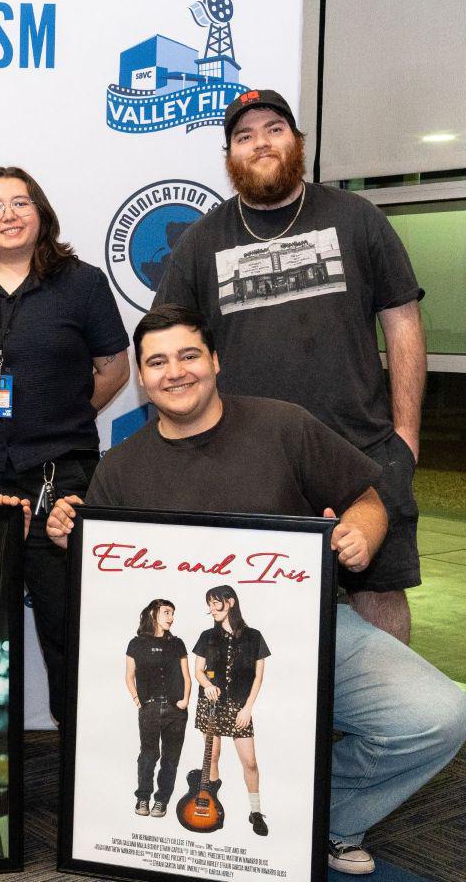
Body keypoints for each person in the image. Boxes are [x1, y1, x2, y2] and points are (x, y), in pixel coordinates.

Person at [48, 305, 466, 875]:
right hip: (196, 655)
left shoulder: (283, 426)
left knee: (440, 714)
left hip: (313, 628)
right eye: (158, 362)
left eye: (189, 355)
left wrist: (363, 533)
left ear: (216, 361)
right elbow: (112, 590)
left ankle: (326, 819)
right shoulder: (119, 468)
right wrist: (73, 536)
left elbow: (364, 496)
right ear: (142, 379)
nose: (176, 372)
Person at [154, 89, 426, 643]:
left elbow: (402, 322)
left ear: (297, 142)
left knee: (378, 590)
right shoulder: (202, 240)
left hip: (362, 448)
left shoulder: (357, 218)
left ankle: (386, 719)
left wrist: (406, 437)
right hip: (250, 459)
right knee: (255, 599)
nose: (261, 143)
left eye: (274, 129)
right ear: (230, 155)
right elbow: (169, 343)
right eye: (244, 136)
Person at [0, 166, 130, 723]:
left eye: (20, 203)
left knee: (67, 625)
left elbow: (114, 368)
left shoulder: (83, 283)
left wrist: (62, 416)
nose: (8, 215)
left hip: (60, 480)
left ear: (41, 214)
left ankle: (77, 759)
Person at [191, 586, 270, 836]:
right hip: (211, 706)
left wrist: (247, 708)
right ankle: (213, 807)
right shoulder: (206, 636)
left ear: (231, 602)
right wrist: (207, 685)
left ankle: (255, 812)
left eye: (217, 604)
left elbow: (258, 677)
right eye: (209, 604)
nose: (212, 609)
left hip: (239, 707)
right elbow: (198, 671)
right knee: (212, 757)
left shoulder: (254, 636)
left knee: (251, 762)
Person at [125, 598, 191, 818]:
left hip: (176, 711)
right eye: (166, 612)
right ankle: (142, 798)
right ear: (154, 614)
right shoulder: (136, 644)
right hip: (149, 709)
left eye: (173, 613)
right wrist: (137, 700)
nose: (171, 618)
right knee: (148, 756)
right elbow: (129, 676)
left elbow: (186, 676)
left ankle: (162, 801)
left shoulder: (177, 643)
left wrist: (185, 701)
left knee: (171, 759)